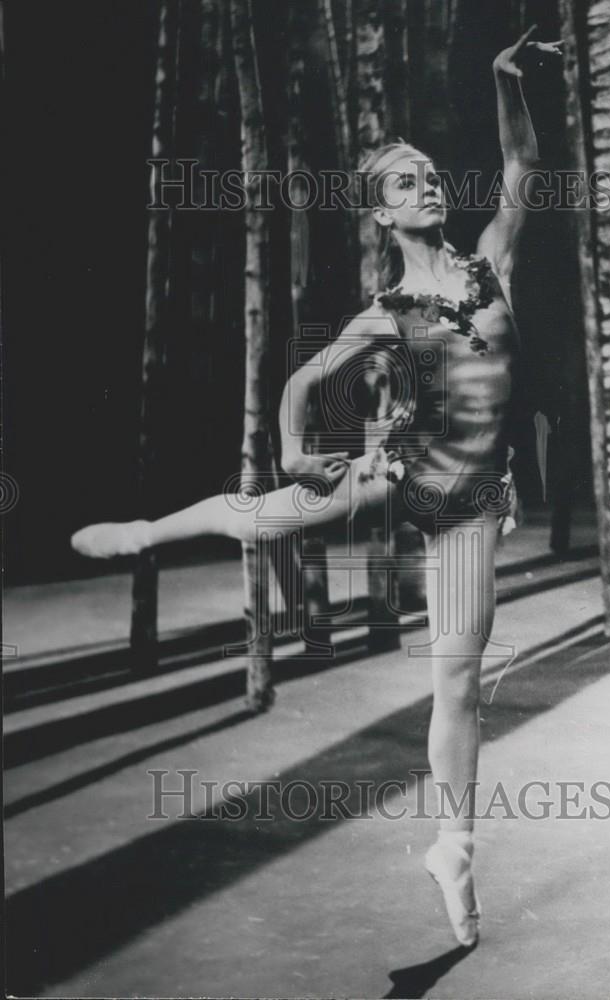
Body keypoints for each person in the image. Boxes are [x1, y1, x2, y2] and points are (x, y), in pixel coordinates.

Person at [71, 27, 562, 948]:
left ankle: (452, 849)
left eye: (428, 173)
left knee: (456, 684)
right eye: (405, 182)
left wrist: (504, 79)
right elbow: (299, 388)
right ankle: (146, 530)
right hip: (401, 463)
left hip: (470, 502)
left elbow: (521, 158)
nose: (426, 185)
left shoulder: (494, 257)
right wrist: (298, 452)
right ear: (383, 215)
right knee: (268, 519)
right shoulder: (383, 312)